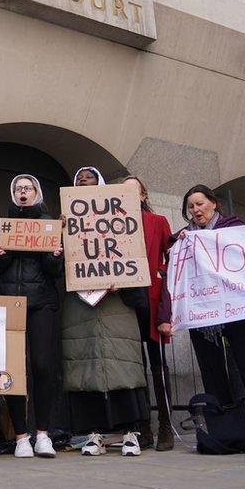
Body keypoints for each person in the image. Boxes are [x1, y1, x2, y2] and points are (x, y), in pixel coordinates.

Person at [167, 185, 245, 456]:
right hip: (204, 317)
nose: (195, 210)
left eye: (200, 204)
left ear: (214, 204)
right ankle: (227, 433)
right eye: (190, 207)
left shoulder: (233, 228)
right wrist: (179, 244)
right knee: (213, 376)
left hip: (237, 313)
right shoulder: (184, 239)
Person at [62, 166, 151, 458]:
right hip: (80, 309)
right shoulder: (63, 223)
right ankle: (93, 433)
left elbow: (135, 263)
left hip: (118, 307)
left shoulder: (124, 220)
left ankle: (130, 433)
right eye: (78, 178)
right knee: (83, 369)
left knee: (123, 367)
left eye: (89, 177)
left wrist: (123, 282)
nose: (83, 180)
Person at [0, 174, 63, 458]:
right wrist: (1, 253)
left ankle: (43, 433)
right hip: (9, 303)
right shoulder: (4, 226)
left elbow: (55, 272)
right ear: (13, 195)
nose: (23, 192)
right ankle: (21, 436)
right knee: (12, 370)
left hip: (42, 303)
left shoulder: (49, 225)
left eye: (28, 188)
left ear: (37, 193)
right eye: (18, 189)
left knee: (43, 366)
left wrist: (55, 254)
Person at [117, 175, 174, 451]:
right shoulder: (111, 226)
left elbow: (173, 261)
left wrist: (166, 309)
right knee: (133, 367)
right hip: (124, 302)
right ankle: (142, 428)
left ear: (142, 195)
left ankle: (165, 424)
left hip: (151, 300)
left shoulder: (158, 222)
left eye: (133, 191)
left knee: (157, 366)